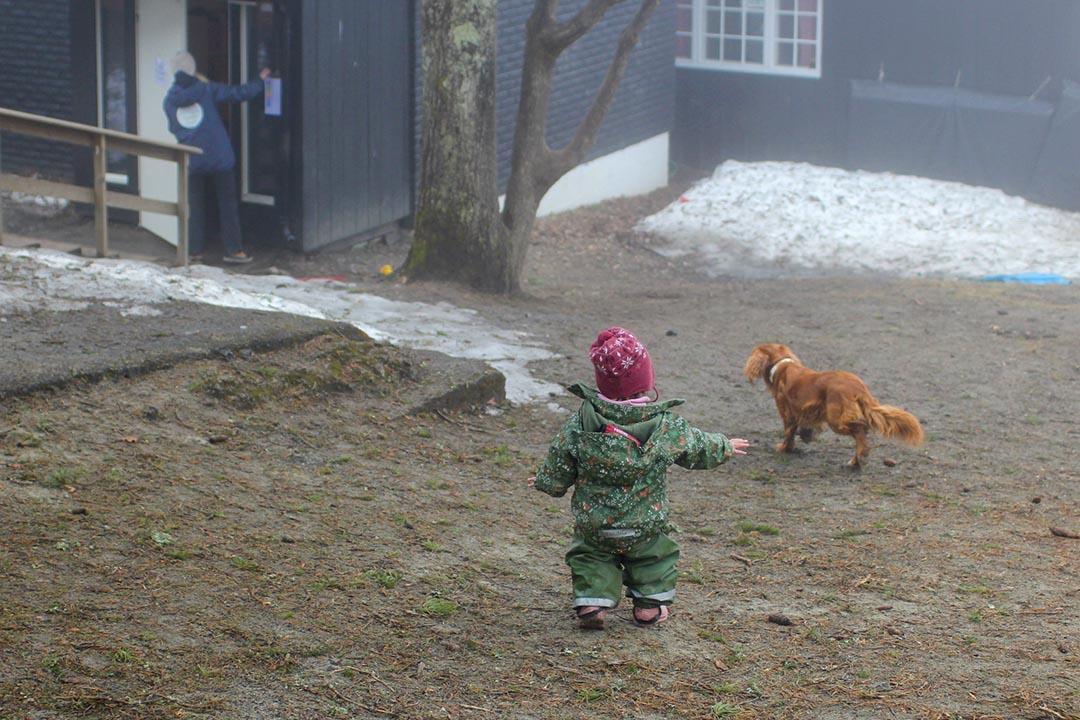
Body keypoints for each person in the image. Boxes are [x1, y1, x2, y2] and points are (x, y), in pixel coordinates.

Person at [531, 327, 749, 630]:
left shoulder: (582, 422)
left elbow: (561, 457)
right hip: (647, 522)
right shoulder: (666, 426)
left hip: (596, 523)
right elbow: (698, 446)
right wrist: (725, 445)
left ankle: (593, 603)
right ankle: (649, 605)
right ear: (646, 381)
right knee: (655, 556)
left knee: (590, 555)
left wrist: (548, 481)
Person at [163, 51, 270, 264]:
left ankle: (194, 251)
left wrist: (188, 140)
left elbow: (174, 128)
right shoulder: (206, 89)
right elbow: (238, 94)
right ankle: (234, 250)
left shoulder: (169, 101)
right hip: (219, 156)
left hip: (191, 157)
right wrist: (261, 81)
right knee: (227, 204)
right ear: (193, 70)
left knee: (194, 204)